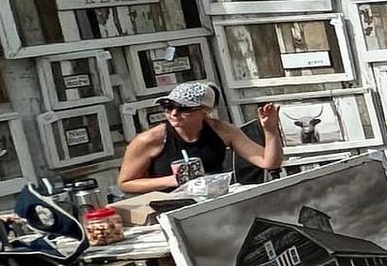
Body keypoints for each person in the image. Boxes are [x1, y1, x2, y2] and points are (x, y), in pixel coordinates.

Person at [118, 82, 280, 193]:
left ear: (204, 111)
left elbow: (269, 162)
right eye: (168, 107)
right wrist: (173, 180)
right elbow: (125, 183)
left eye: (183, 109)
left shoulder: (222, 130)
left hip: (213, 200)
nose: (174, 113)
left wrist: (270, 131)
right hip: (170, 204)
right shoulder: (150, 140)